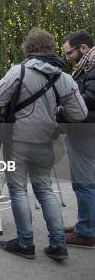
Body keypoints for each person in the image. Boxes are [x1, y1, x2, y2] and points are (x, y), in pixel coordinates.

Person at [0, 28, 87, 261]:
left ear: (29, 48)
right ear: (51, 48)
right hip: (45, 141)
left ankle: (25, 243)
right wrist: (56, 110)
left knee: (18, 190)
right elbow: (80, 114)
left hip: (17, 140)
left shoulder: (19, 71)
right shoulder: (63, 77)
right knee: (44, 189)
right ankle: (57, 244)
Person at [61, 30, 95, 248]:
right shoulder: (87, 68)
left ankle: (87, 233)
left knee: (84, 183)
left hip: (85, 132)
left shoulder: (92, 69)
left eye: (69, 53)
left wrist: (63, 106)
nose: (67, 57)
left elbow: (88, 101)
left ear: (83, 48)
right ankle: (86, 224)